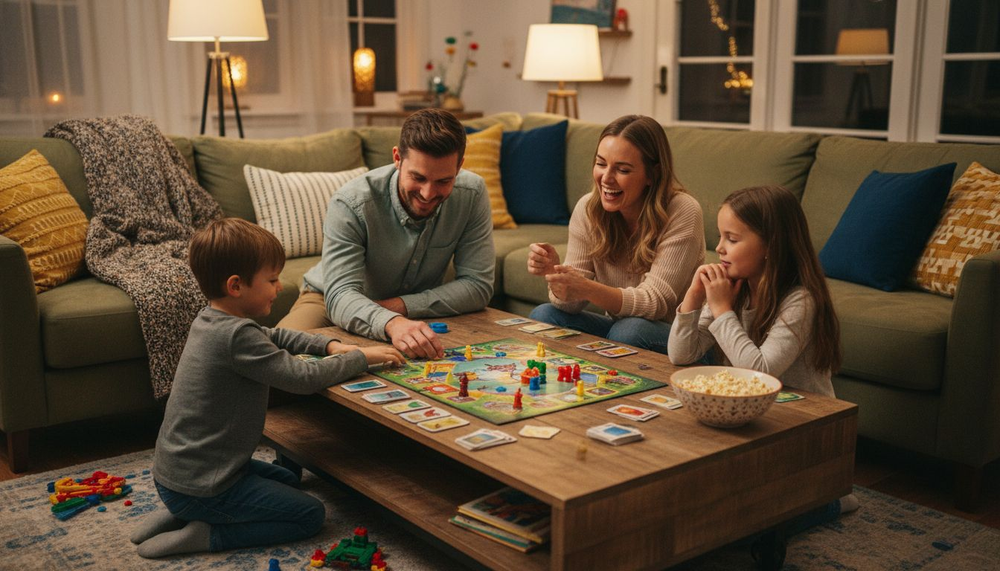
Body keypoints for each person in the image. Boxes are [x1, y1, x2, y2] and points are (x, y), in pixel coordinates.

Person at [133, 218, 404, 559]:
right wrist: (361, 357)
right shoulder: (236, 337)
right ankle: (207, 530)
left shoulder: (212, 320)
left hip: (178, 473)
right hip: (204, 484)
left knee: (286, 480)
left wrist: (330, 345)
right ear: (236, 286)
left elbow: (274, 335)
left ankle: (183, 510)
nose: (279, 287)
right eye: (272, 280)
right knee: (309, 515)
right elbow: (302, 379)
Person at [666, 185, 858, 536]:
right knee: (709, 503)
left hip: (799, 425)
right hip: (752, 418)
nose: (719, 248)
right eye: (720, 237)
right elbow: (681, 354)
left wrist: (722, 310)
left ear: (770, 246)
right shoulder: (733, 286)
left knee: (748, 523)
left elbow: (759, 373)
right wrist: (694, 299)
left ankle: (834, 499)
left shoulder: (800, 300)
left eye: (732, 239)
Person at [278, 108, 495, 360]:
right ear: (397, 158)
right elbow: (340, 295)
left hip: (412, 307)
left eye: (443, 181)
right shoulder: (351, 202)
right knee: (275, 356)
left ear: (459, 167)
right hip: (331, 300)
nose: (427, 193)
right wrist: (391, 322)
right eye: (418, 177)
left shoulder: (472, 192)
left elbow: (478, 285)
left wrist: (397, 309)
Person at [526, 115, 705, 354]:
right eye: (601, 164)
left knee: (628, 332)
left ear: (653, 174)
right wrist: (557, 276)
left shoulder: (683, 211)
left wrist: (586, 287)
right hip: (621, 327)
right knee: (545, 315)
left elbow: (656, 303)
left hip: (680, 340)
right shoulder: (588, 208)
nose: (606, 178)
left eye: (622, 169)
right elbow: (570, 305)